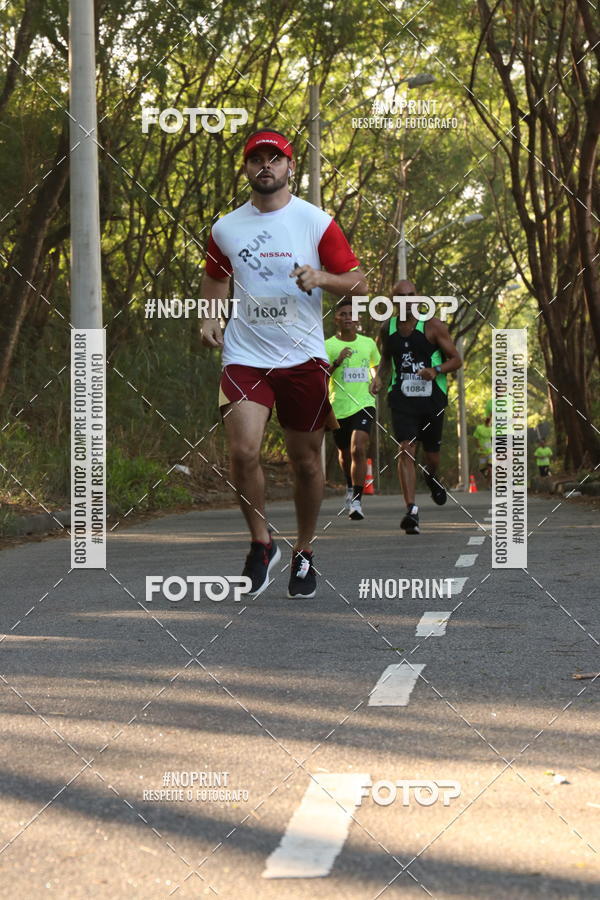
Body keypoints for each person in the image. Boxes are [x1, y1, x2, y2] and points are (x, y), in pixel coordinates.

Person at [200, 129, 368, 598]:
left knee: (307, 464)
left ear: (291, 167)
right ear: (247, 168)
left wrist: (321, 277)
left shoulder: (316, 222)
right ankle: (261, 543)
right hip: (245, 355)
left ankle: (305, 551)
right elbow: (215, 279)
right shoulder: (226, 228)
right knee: (243, 451)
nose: (266, 166)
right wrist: (211, 318)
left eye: (276, 159)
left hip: (303, 358)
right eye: (257, 160)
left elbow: (358, 283)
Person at [370, 279, 462, 535]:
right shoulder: (386, 329)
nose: (407, 300)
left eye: (411, 295)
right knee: (405, 449)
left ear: (418, 297)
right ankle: (411, 510)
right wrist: (378, 377)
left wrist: (436, 370)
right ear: (392, 300)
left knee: (432, 457)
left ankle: (430, 477)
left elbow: (457, 360)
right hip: (401, 398)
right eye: (401, 296)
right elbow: (386, 359)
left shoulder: (433, 326)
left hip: (432, 399)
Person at [325, 299, 380, 520]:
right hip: (338, 406)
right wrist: (337, 362)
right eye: (343, 313)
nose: (348, 317)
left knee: (358, 448)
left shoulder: (368, 343)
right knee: (344, 453)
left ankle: (356, 501)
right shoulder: (328, 346)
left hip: (364, 403)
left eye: (352, 314)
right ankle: (350, 485)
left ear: (358, 319)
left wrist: (376, 380)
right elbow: (321, 375)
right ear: (336, 318)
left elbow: (375, 366)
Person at [473, 414, 492, 486]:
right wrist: (478, 446)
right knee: (482, 469)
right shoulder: (479, 428)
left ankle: (489, 483)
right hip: (482, 452)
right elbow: (475, 438)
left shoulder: (492, 429)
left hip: (490, 452)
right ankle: (487, 479)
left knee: (491, 468)